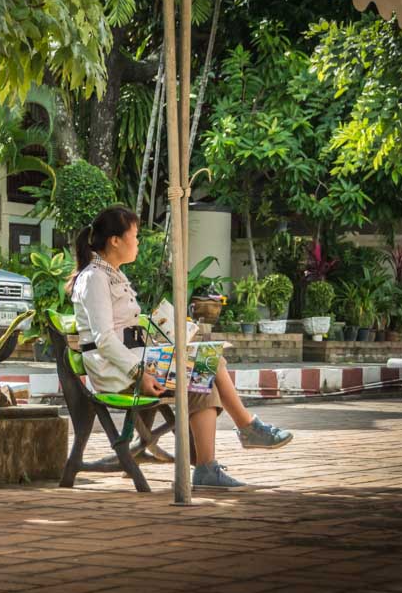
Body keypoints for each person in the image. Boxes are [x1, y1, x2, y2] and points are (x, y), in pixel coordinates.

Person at [68, 206, 293, 489]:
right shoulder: (95, 278)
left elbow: (124, 329)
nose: (137, 242)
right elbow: (104, 339)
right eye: (134, 236)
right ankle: (238, 437)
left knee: (207, 366)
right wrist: (140, 373)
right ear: (115, 240)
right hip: (118, 371)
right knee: (205, 370)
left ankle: (226, 450)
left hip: (132, 362)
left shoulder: (112, 275)